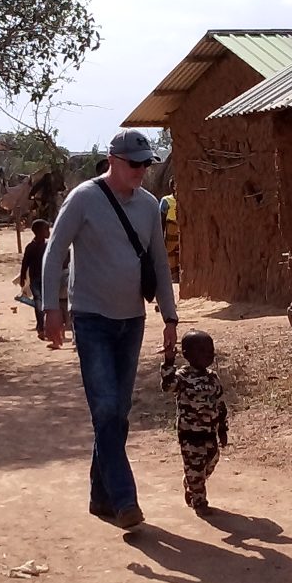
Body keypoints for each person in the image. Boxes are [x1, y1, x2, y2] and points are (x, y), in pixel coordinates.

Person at [42, 129, 179, 531]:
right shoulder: (84, 198)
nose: (141, 170)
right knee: (104, 409)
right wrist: (51, 309)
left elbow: (160, 263)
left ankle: (100, 496)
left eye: (146, 163)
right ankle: (125, 500)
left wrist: (170, 318)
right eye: (134, 164)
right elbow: (53, 254)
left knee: (117, 415)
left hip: (131, 322)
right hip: (91, 319)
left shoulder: (149, 206)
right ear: (113, 160)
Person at [160, 329, 228, 516]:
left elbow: (220, 403)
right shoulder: (182, 377)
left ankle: (191, 481)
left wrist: (222, 427)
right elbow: (168, 386)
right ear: (187, 355)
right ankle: (199, 500)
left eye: (210, 351)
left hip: (209, 431)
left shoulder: (213, 377)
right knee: (196, 466)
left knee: (212, 460)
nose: (208, 355)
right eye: (202, 351)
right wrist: (168, 362)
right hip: (189, 433)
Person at [19, 218, 50, 340]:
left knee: (46, 303)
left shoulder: (48, 245)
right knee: (38, 302)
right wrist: (22, 278)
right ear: (38, 232)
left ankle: (44, 326)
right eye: (46, 229)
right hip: (36, 279)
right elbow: (25, 263)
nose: (48, 232)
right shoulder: (31, 247)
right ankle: (41, 328)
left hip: (47, 278)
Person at [160, 177, 180, 283]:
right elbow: (161, 219)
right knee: (170, 254)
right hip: (170, 230)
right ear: (172, 187)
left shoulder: (185, 200)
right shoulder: (166, 201)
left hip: (181, 230)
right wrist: (161, 237)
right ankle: (174, 276)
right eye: (176, 184)